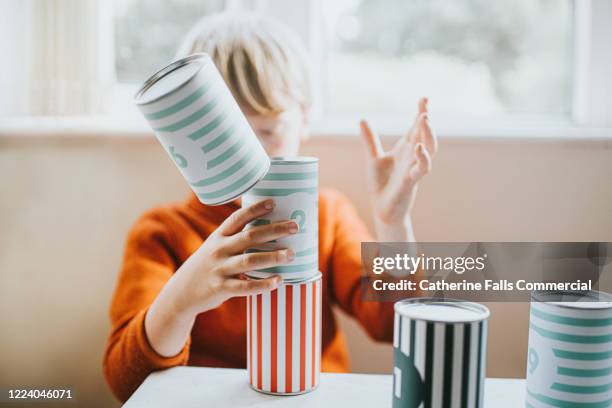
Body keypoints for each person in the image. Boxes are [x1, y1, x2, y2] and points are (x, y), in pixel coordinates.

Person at [103, 12, 437, 402]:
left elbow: (395, 324)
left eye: (266, 131)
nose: (252, 155)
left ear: (304, 120)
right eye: (226, 135)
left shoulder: (325, 216)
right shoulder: (163, 233)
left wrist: (392, 224)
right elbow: (126, 383)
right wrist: (182, 300)